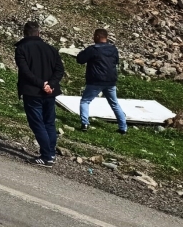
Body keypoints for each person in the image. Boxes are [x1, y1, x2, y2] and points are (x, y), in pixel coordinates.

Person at [14, 21, 64, 168]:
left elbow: (25, 71)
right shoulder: (51, 49)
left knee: (37, 123)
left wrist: (41, 84)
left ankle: (46, 156)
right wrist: (50, 84)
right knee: (49, 122)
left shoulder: (21, 49)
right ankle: (51, 154)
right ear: (39, 33)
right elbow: (59, 70)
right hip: (50, 92)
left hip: (32, 91)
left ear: (24, 33)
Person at [76, 29, 127, 134]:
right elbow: (116, 61)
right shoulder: (113, 49)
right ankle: (123, 127)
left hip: (95, 81)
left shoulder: (93, 49)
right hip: (111, 81)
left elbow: (80, 59)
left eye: (94, 36)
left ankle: (85, 124)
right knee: (114, 103)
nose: (93, 38)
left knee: (85, 101)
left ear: (98, 36)